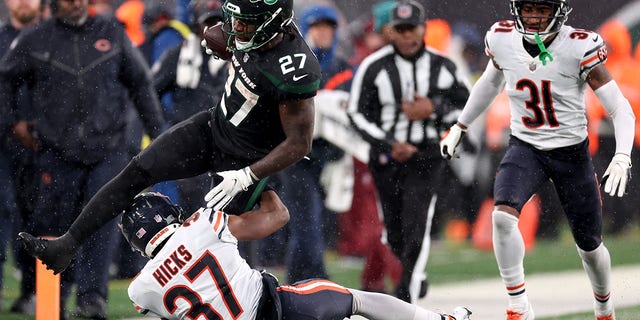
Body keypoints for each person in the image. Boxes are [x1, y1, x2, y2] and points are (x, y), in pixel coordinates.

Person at [17, 0, 321, 286]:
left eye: (246, 23)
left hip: (246, 157)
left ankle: (245, 294)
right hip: (213, 127)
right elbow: (227, 36)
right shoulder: (244, 30)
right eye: (235, 19)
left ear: (272, 23)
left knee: (222, 234)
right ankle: (67, 244)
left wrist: (249, 175)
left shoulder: (293, 67)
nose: (236, 27)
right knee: (138, 170)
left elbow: (299, 143)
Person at [439, 1, 635, 319]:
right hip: (525, 146)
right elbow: (490, 83)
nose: (532, 17)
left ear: (558, 11)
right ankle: (518, 306)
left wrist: (622, 155)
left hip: (571, 153)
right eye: (527, 9)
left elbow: (620, 108)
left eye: (541, 10)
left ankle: (604, 309)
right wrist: (461, 126)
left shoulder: (578, 46)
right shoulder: (502, 39)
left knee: (589, 246)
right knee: (502, 216)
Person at [0, 0, 167, 317]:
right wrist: (13, 122)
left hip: (108, 148)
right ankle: (54, 301)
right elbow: (5, 78)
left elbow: (140, 83)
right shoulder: (36, 38)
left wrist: (158, 133)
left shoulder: (112, 33)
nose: (75, 3)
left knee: (101, 224)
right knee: (54, 225)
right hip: (55, 150)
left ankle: (93, 299)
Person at [81, 191, 473, 320]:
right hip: (277, 308)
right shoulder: (203, 223)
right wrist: (255, 179)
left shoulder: (140, 288)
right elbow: (278, 216)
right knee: (357, 299)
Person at [348, 0, 470, 303]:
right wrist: (389, 144)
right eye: (399, 30)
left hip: (427, 156)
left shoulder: (443, 65)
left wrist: (434, 108)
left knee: (417, 224)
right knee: (395, 232)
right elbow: (356, 113)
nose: (406, 36)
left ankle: (407, 294)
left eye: (411, 29)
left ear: (423, 28)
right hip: (387, 160)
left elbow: (468, 105)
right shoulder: (374, 66)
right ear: (389, 31)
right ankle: (415, 275)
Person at [0, 0, 46, 312]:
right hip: (2, 143)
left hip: (46, 144)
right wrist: (12, 121)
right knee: (3, 213)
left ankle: (34, 292)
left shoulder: (53, 38)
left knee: (39, 218)